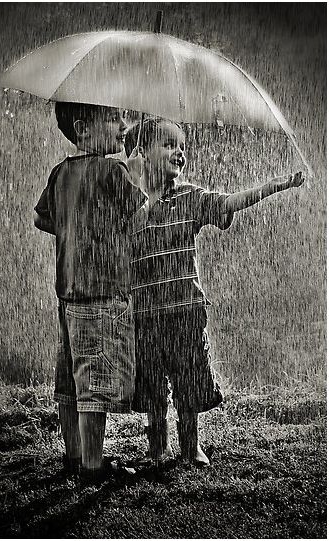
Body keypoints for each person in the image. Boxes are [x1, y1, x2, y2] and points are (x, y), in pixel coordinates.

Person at [125, 117, 304, 466]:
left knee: (188, 379)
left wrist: (271, 186)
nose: (180, 152)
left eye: (183, 147)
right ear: (141, 153)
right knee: (151, 386)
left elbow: (227, 203)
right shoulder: (130, 202)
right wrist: (138, 190)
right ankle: (158, 448)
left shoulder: (190, 197)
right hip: (145, 313)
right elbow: (119, 236)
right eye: (169, 144)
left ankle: (190, 446)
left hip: (186, 309)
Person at [34, 102, 146, 482]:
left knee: (70, 380)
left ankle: (73, 456)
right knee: (94, 383)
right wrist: (140, 175)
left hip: (68, 294)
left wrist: (73, 229)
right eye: (114, 118)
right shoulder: (112, 170)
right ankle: (93, 466)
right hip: (101, 293)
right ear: (83, 129)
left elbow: (40, 218)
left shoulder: (60, 172)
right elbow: (140, 215)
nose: (123, 124)